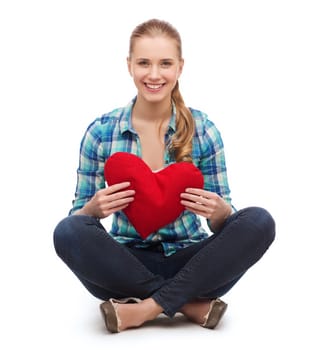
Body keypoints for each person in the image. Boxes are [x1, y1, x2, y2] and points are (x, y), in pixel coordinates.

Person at [53, 18, 275, 333]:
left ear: (180, 68)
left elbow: (226, 226)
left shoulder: (204, 131)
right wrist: (93, 210)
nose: (154, 75)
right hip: (124, 264)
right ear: (129, 66)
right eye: (144, 63)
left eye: (165, 64)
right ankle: (185, 303)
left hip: (193, 262)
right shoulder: (101, 132)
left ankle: (143, 308)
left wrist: (221, 213)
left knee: (260, 221)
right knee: (66, 232)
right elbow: (77, 221)